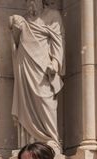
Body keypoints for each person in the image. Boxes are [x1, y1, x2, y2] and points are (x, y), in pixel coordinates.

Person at [9, 0, 65, 149]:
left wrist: (56, 62)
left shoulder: (53, 15)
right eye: (28, 1)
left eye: (34, 0)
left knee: (45, 100)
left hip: (43, 66)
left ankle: (51, 138)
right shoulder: (24, 19)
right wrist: (16, 29)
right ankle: (29, 142)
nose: (31, 3)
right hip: (25, 65)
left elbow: (58, 41)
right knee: (26, 102)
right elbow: (16, 43)